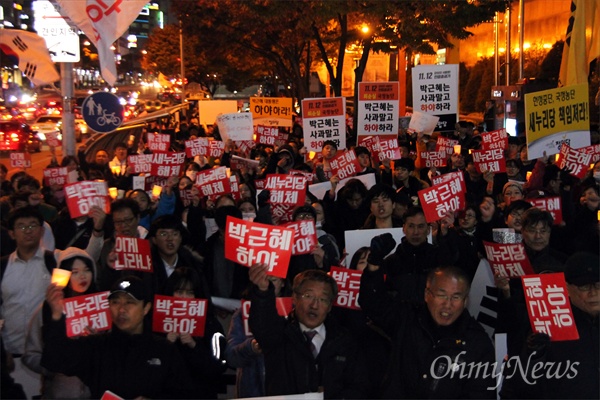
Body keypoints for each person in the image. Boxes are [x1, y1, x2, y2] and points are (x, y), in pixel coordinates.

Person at [0, 206, 104, 397]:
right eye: (21, 227)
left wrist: (97, 232)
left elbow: (83, 259)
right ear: (11, 233)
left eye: (33, 225)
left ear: (42, 230)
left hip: (53, 361)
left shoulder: (55, 260)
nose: (28, 231)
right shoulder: (2, 266)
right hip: (13, 357)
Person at [41, 275, 194, 398]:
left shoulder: (164, 349)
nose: (121, 309)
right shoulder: (97, 346)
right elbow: (55, 360)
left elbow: (185, 394)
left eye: (130, 302)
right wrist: (56, 316)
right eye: (115, 302)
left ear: (146, 308)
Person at [359, 265, 496, 398]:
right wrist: (373, 269)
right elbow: (373, 305)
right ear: (427, 295)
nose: (447, 304)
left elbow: (480, 393)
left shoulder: (478, 344)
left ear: (465, 301)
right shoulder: (407, 319)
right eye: (441, 295)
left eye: (456, 297)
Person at [248, 265, 368, 398]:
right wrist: (263, 292)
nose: (314, 305)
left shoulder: (345, 341)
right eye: (308, 296)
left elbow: (359, 387)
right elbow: (262, 324)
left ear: (329, 306)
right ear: (295, 297)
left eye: (323, 299)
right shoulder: (279, 333)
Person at [500, 252, 599, 399]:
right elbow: (517, 384)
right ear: (566, 288)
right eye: (584, 287)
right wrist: (533, 356)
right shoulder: (544, 322)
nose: (594, 293)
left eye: (598, 285)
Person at [23, 248, 97, 399]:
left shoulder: (101, 306)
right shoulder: (48, 309)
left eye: (87, 270)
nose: (82, 276)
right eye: (74, 272)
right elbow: (31, 355)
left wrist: (98, 342)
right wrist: (55, 369)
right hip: (59, 393)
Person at [368, 207, 458, 302]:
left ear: (428, 230)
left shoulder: (438, 258)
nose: (416, 232)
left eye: (420, 226)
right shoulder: (390, 262)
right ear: (404, 228)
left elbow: (452, 260)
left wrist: (446, 233)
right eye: (411, 226)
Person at [163, 267, 227, 399]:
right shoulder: (159, 322)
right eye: (179, 292)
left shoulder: (211, 325)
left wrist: (194, 346)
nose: (184, 298)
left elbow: (219, 366)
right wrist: (165, 344)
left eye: (190, 293)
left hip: (201, 393)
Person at [225, 276, 286, 398]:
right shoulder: (242, 314)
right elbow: (231, 357)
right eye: (263, 280)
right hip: (251, 390)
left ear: (283, 283)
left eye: (273, 280)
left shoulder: (295, 313)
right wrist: (251, 347)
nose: (267, 285)